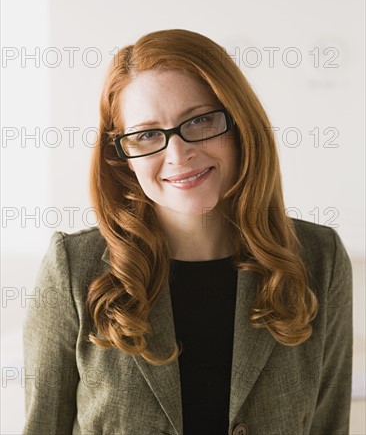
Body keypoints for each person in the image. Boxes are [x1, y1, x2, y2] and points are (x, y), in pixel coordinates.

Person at [23, 29, 353, 435]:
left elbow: (329, 426)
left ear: (239, 124)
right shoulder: (73, 269)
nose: (178, 154)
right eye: (146, 134)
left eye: (199, 121)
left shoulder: (321, 259)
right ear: (122, 155)